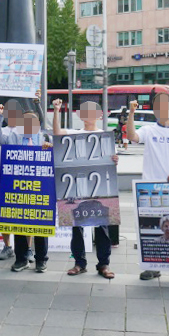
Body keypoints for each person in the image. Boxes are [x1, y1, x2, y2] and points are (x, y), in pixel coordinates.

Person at [127, 95, 169, 284]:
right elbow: (132, 136)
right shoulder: (149, 130)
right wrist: (131, 113)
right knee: (160, 229)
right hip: (151, 188)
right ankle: (153, 266)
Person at [52, 99, 118, 279]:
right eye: (84, 111)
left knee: (103, 227)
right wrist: (57, 110)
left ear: (100, 115)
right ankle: (79, 263)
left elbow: (112, 160)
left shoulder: (105, 136)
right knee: (76, 226)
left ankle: (103, 264)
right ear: (79, 115)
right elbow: (57, 133)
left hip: (99, 189)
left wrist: (114, 160)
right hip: (76, 186)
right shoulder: (74, 134)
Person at [0, 102, 53, 273]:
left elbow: (58, 157)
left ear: (38, 125)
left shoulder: (46, 139)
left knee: (40, 225)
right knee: (19, 224)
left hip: (41, 190)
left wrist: (51, 149)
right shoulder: (13, 139)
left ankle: (41, 260)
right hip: (19, 189)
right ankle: (21, 259)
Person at [0, 98, 33, 262]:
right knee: (5, 213)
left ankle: (28, 248)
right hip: (6, 179)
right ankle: (7, 246)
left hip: (27, 180)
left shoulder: (29, 131)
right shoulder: (3, 131)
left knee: (28, 214)